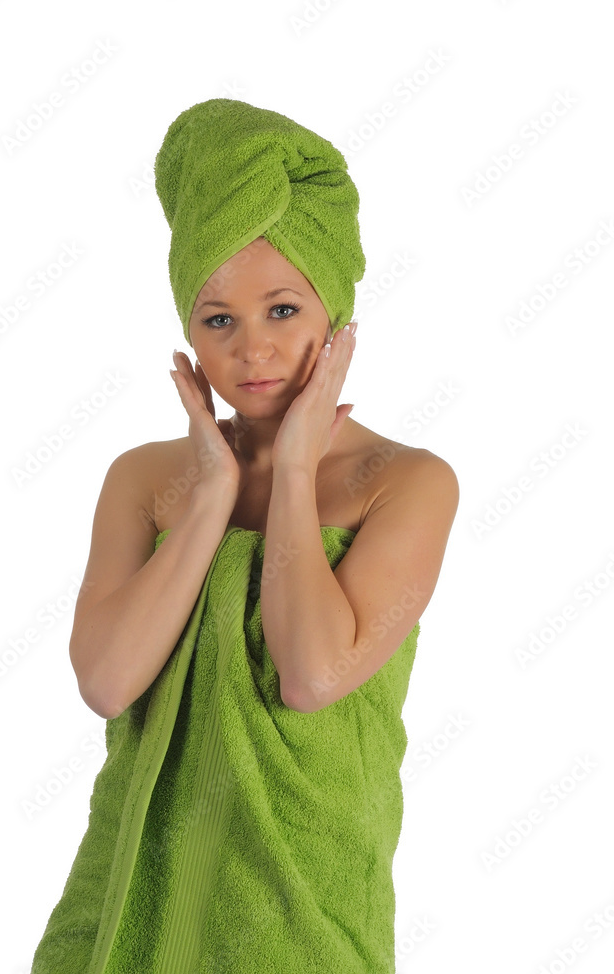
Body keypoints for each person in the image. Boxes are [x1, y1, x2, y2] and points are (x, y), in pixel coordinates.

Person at [29, 99, 459, 974]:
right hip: (125, 899)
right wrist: (213, 492)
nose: (252, 350)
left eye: (283, 309)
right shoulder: (144, 479)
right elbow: (106, 683)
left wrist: (294, 471)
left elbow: (311, 677)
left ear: (335, 313)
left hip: (301, 910)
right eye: (218, 319)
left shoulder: (409, 482)